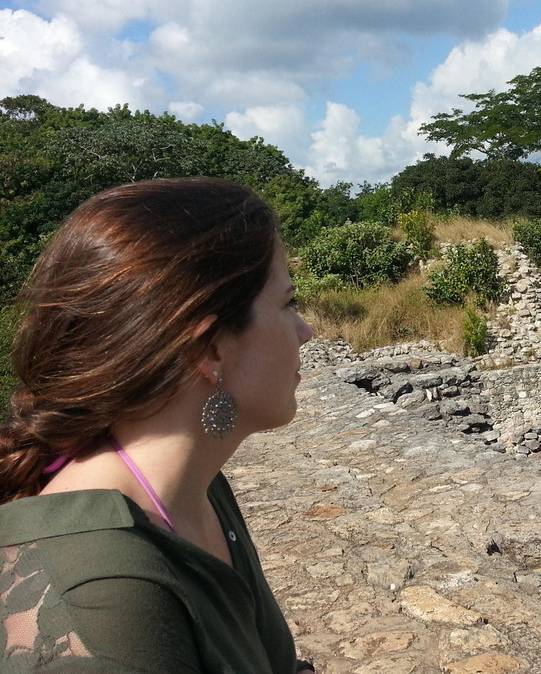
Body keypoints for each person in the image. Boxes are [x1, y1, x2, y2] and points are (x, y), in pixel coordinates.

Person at [0, 177, 316, 672]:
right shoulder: (106, 605)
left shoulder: (198, 491)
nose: (305, 331)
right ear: (209, 348)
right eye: (288, 303)